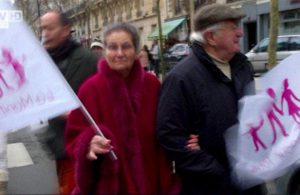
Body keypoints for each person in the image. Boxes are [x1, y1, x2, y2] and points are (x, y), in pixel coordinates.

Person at [156, 4, 264, 195]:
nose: (240, 33)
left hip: (249, 180)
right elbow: (170, 136)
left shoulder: (243, 67)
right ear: (211, 38)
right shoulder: (181, 78)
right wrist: (215, 170)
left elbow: (251, 114)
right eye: (232, 28)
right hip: (210, 185)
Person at [64, 23, 181, 194]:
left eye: (126, 46)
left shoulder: (152, 85)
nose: (119, 53)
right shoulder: (90, 89)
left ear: (137, 51)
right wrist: (89, 144)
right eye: (112, 47)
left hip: (152, 179)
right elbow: (74, 138)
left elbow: (168, 125)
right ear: (105, 52)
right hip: (112, 185)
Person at [40, 10, 98, 195]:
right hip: (58, 145)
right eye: (43, 29)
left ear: (65, 30)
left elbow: (102, 100)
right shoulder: (43, 60)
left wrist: (71, 114)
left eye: (50, 28)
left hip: (83, 147)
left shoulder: (88, 60)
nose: (45, 34)